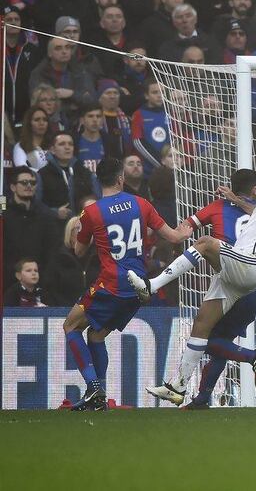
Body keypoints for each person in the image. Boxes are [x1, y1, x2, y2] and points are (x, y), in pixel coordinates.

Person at [130, 113, 256, 407]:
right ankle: (179, 386)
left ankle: (151, 284)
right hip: (240, 275)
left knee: (206, 242)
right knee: (202, 324)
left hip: (248, 266)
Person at [63, 157, 193, 411]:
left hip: (111, 284)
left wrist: (82, 229)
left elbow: (78, 251)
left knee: (70, 326)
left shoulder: (91, 212)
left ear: (98, 180)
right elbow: (174, 236)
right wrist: (186, 232)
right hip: (139, 287)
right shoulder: (141, 203)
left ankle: (94, 388)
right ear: (121, 178)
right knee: (97, 335)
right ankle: (97, 399)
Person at [183, 170, 256, 409]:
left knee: (207, 337)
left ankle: (252, 356)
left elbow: (184, 230)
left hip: (231, 279)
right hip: (252, 285)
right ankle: (203, 397)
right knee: (221, 339)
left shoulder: (220, 207)